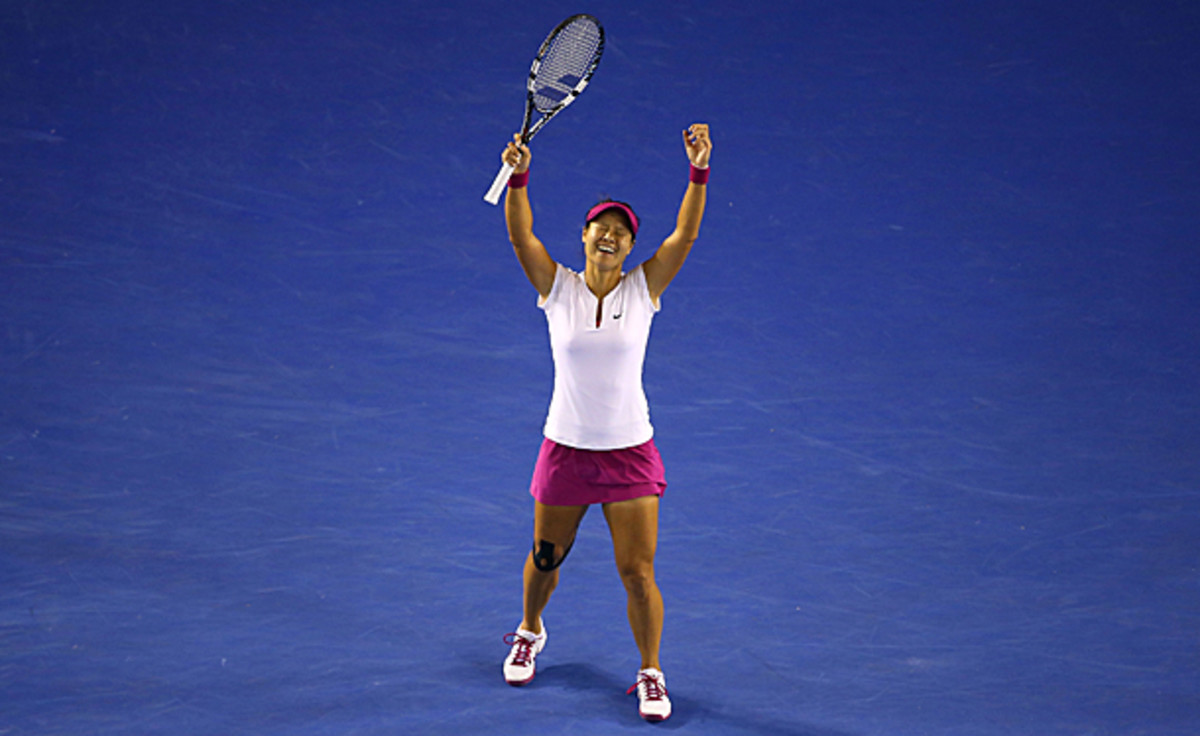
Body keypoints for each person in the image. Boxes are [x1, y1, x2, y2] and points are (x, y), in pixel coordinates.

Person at [499, 123, 712, 723]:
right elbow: (521, 238)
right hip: (565, 449)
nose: (612, 237)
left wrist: (698, 170)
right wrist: (519, 178)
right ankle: (530, 629)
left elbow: (686, 235)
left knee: (638, 573)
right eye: (603, 229)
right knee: (546, 556)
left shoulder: (644, 290)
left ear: (628, 246)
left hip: (628, 455)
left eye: (623, 232)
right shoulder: (557, 288)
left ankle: (650, 672)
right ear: (585, 236)